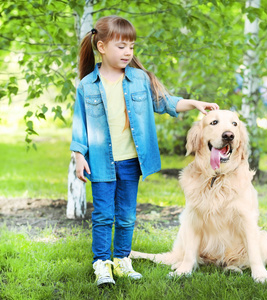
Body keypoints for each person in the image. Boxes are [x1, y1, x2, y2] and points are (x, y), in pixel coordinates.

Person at [70, 15, 219, 288]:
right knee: (103, 215)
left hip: (130, 162)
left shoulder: (139, 79)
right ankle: (102, 265)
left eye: (132, 46)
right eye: (121, 46)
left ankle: (122, 260)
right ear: (101, 47)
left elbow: (166, 102)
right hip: (101, 162)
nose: (128, 52)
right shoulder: (87, 86)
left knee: (126, 215)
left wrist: (195, 103)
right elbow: (80, 123)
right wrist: (79, 156)